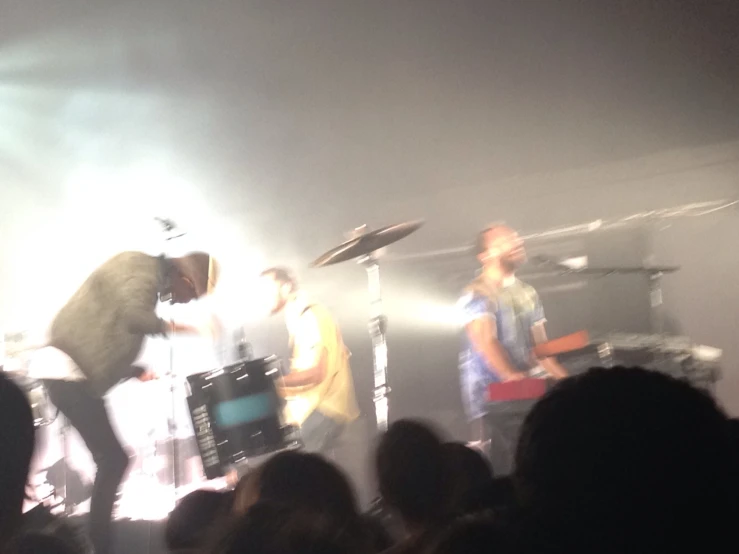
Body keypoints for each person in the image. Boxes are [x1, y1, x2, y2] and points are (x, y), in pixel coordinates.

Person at [29, 251, 219, 554]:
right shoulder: (141, 268)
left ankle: (96, 541)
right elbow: (134, 318)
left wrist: (135, 371)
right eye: (192, 295)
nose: (186, 302)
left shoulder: (144, 276)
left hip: (69, 372)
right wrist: (189, 329)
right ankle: (97, 544)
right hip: (64, 369)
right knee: (114, 459)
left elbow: (109, 331)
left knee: (113, 458)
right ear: (185, 279)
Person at [459, 225, 566, 474]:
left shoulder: (527, 292)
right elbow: (485, 341)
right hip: (492, 396)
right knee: (506, 466)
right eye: (506, 240)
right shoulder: (477, 292)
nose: (517, 242)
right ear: (484, 256)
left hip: (525, 391)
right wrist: (512, 377)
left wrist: (567, 382)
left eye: (517, 237)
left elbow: (541, 349)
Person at [259, 267, 359, 454]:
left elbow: (316, 373)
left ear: (287, 287)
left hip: (322, 411)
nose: (261, 297)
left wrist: (269, 384)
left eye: (266, 289)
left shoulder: (310, 316)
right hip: (314, 412)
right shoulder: (299, 318)